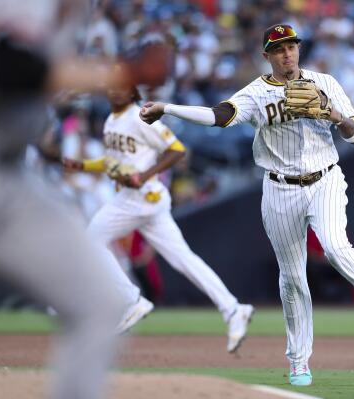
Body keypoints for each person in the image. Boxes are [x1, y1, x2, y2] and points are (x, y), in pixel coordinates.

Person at [140, 23, 354, 386]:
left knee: (337, 247)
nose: (286, 53)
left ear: (298, 49)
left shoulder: (326, 83)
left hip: (325, 179)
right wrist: (168, 108)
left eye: (291, 46)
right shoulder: (257, 93)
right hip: (279, 188)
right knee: (292, 277)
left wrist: (332, 114)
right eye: (278, 49)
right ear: (267, 56)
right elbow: (220, 116)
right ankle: (299, 361)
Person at [0, 1, 169, 398]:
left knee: (100, 303)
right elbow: (9, 68)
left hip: (4, 176)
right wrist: (121, 72)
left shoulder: (75, 11)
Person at [63, 84, 254, 353]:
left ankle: (132, 300)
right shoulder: (110, 120)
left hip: (139, 198)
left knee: (92, 239)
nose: (116, 91)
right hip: (144, 201)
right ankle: (233, 309)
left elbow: (176, 150)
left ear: (132, 93)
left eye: (124, 87)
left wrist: (145, 174)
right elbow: (111, 162)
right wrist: (82, 165)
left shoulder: (139, 117)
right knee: (183, 259)